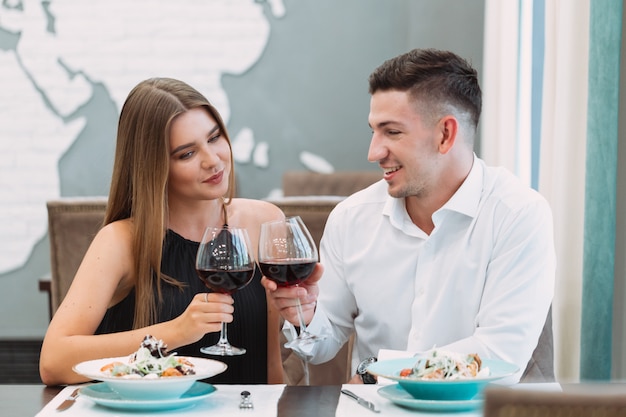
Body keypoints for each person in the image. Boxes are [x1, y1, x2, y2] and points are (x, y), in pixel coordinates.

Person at [262, 48, 556, 384]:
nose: (374, 152)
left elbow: (498, 360)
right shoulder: (351, 218)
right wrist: (305, 314)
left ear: (445, 134)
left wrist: (377, 373)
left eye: (392, 132)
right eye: (374, 130)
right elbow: (322, 345)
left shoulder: (518, 215)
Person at [40, 78, 285, 386]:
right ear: (153, 167)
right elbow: (53, 361)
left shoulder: (263, 221)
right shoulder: (121, 241)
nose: (213, 160)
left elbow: (271, 369)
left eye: (214, 137)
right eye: (187, 154)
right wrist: (177, 331)